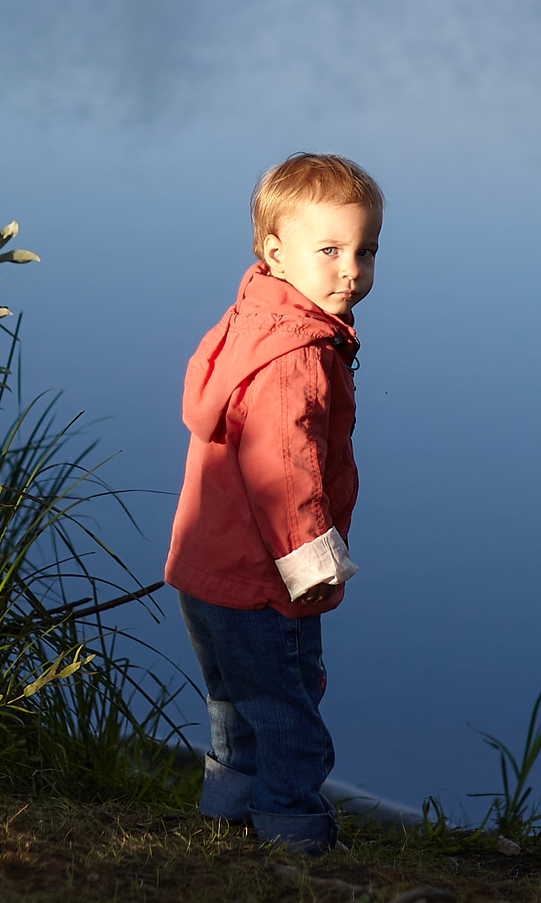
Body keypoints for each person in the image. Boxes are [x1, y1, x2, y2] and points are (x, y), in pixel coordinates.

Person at [165, 152, 385, 855]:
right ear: (274, 251)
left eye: (365, 249)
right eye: (330, 250)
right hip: (265, 578)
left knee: (234, 703)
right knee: (288, 706)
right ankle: (296, 834)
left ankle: (228, 811)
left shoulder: (251, 318)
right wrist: (311, 562)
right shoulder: (297, 356)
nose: (351, 268)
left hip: (207, 567)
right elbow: (282, 469)